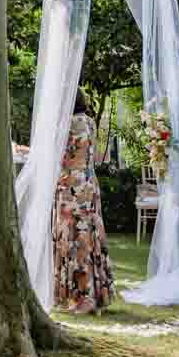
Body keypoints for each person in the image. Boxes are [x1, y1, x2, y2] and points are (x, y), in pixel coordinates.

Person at [53, 99, 114, 314]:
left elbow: (60, 156)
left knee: (74, 240)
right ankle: (93, 295)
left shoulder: (67, 123)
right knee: (89, 238)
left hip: (71, 186)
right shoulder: (89, 121)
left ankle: (81, 298)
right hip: (89, 183)